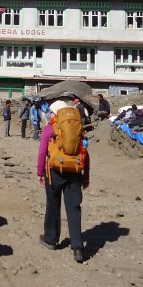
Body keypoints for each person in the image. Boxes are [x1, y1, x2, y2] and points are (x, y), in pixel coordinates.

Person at [37, 100, 90, 263]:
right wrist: (86, 175)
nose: (50, 115)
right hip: (74, 172)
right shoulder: (76, 129)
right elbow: (85, 153)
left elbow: (42, 152)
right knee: (74, 208)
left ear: (56, 113)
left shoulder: (48, 129)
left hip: (54, 172)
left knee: (53, 205)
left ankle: (51, 239)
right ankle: (78, 248)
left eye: (51, 112)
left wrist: (40, 172)